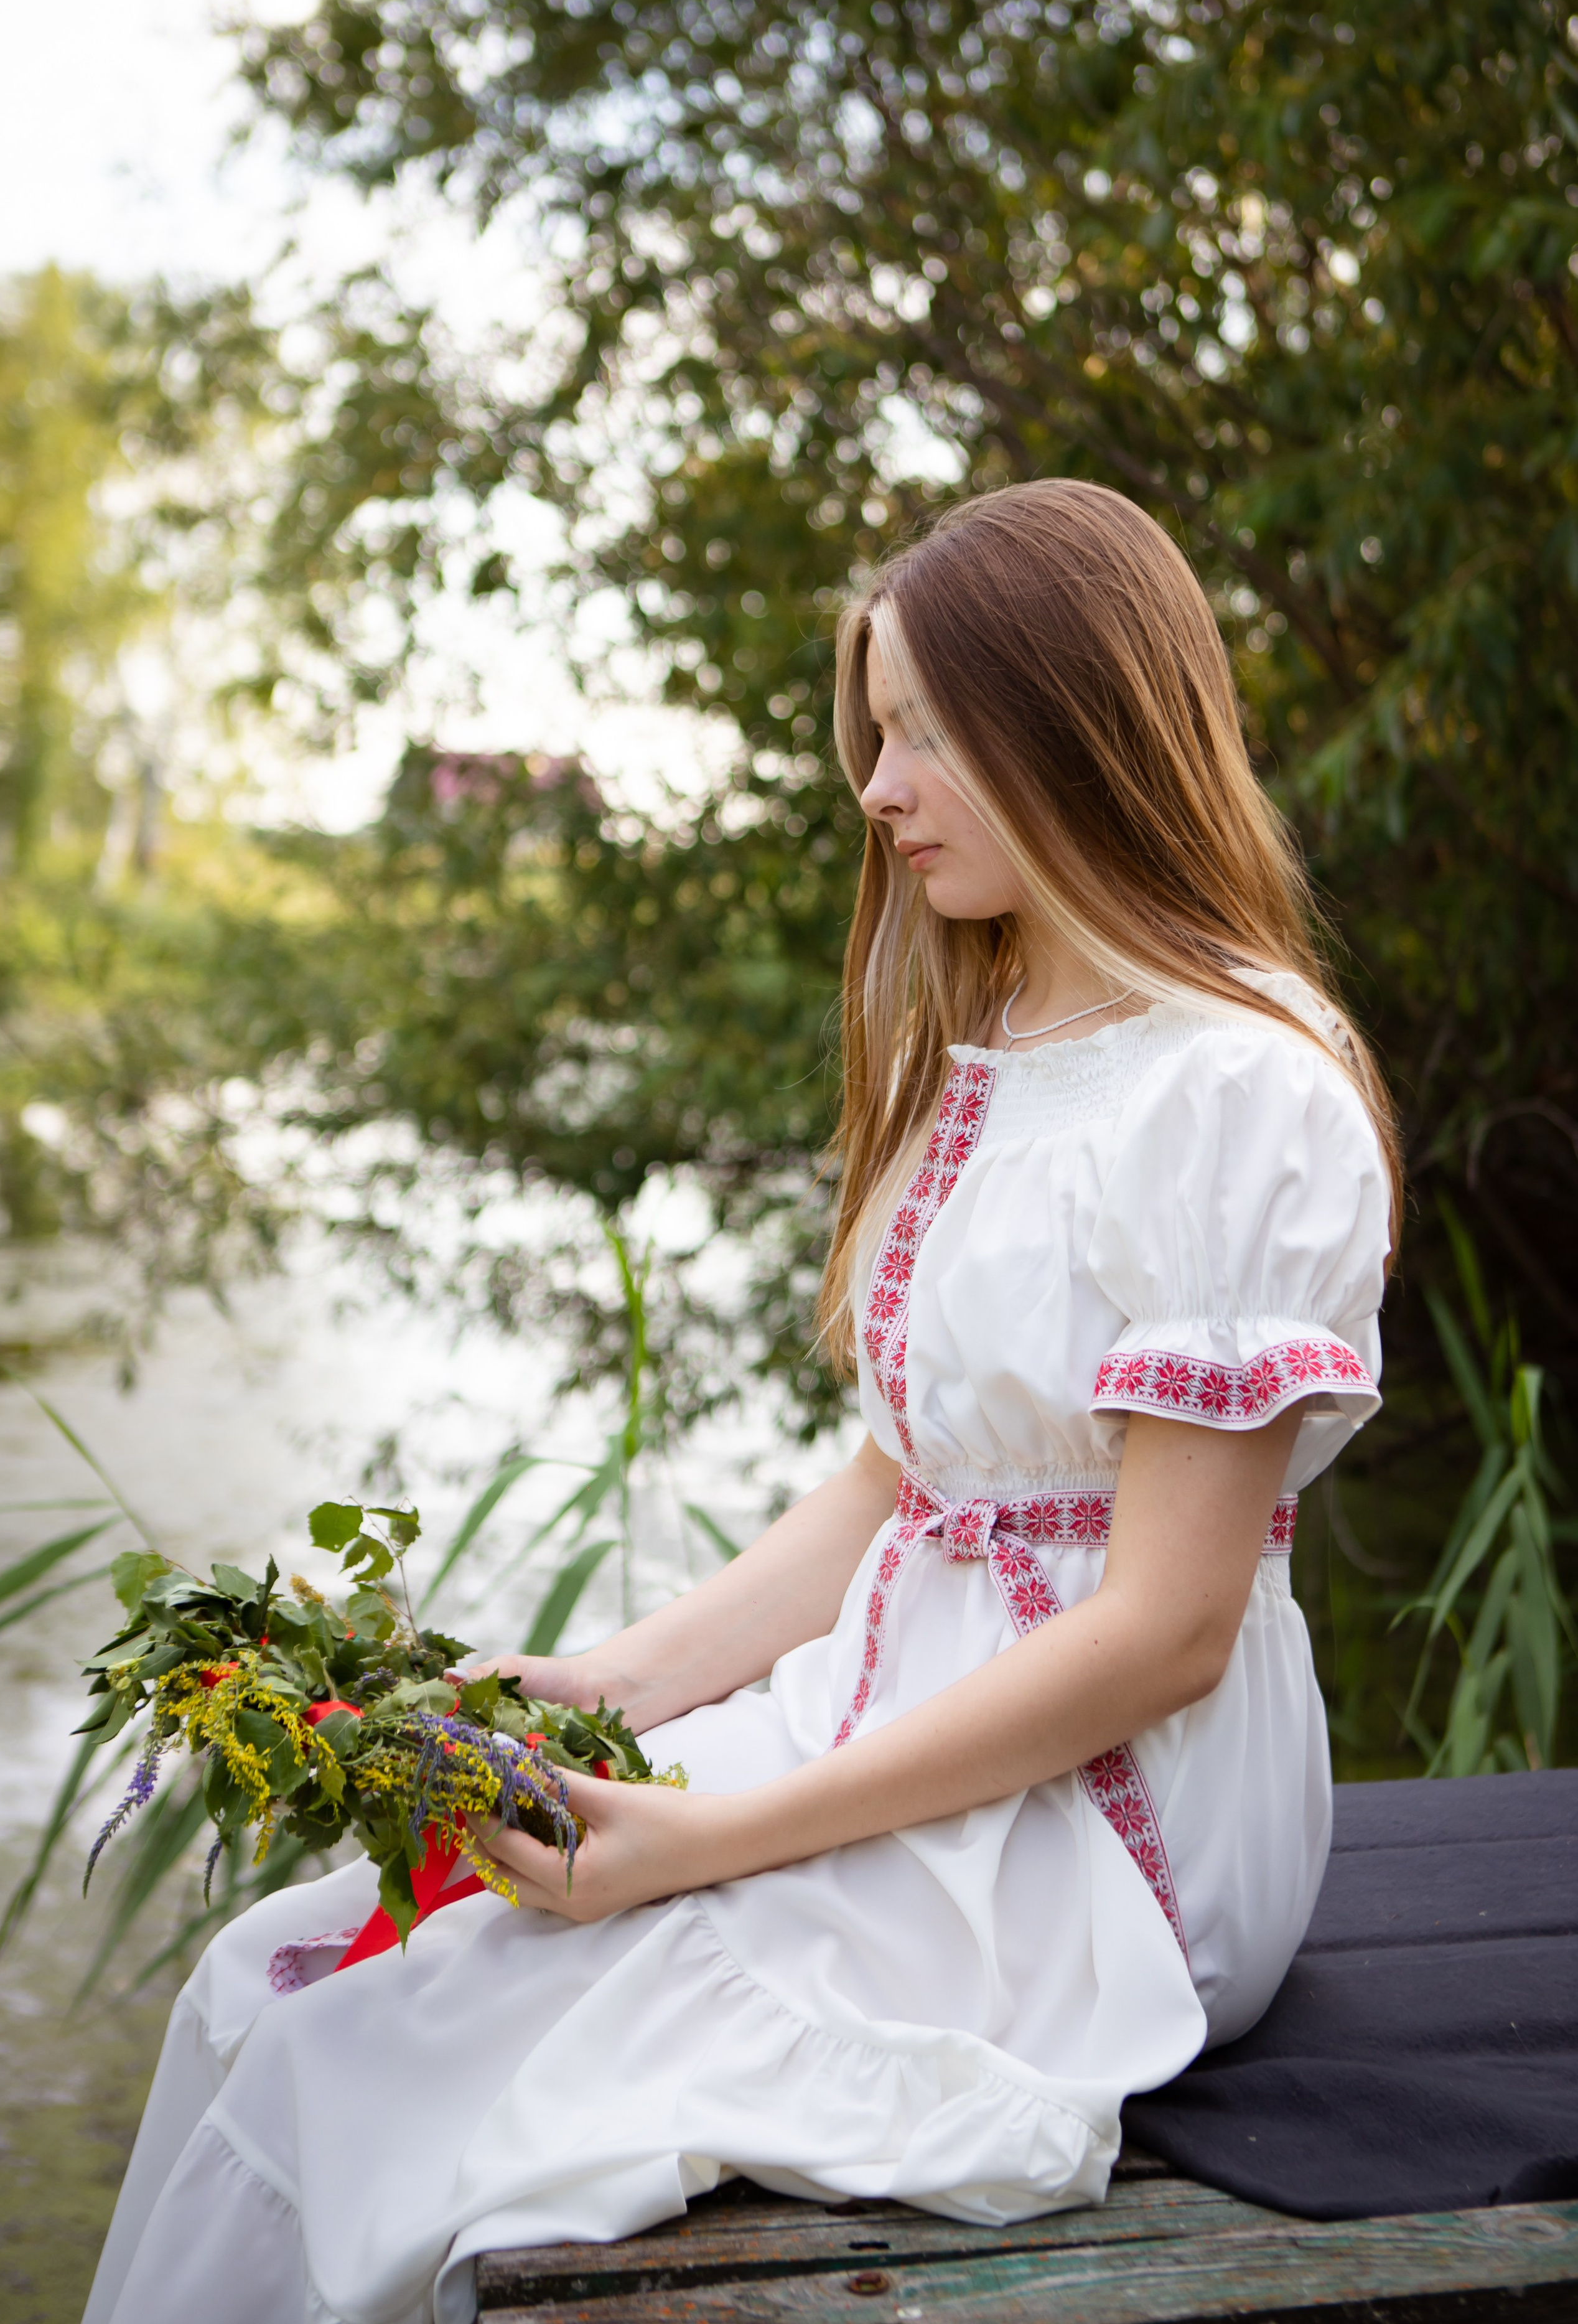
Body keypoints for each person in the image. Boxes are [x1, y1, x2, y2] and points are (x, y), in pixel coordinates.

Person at [85, 479, 1397, 2324]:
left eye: (930, 730)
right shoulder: (1006, 1039)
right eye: (881, 730)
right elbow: (902, 1487)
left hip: (1103, 1826)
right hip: (886, 1718)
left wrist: (708, 1840)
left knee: (394, 2072)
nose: (878, 786)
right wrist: (606, 1688)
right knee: (276, 1975)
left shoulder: (1241, 1093)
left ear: (1080, 720)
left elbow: (1171, 1632)